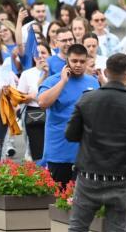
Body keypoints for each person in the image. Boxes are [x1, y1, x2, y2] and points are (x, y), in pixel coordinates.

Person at [63, 53, 126, 232]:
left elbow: (71, 135)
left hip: (89, 176)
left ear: (105, 72)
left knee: (76, 230)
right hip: (122, 178)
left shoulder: (87, 99)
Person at [38, 44, 100, 186]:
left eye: (82, 61)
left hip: (85, 152)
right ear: (67, 61)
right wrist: (63, 81)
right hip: (59, 152)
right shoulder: (53, 80)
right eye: (74, 61)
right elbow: (42, 103)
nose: (78, 65)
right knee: (58, 198)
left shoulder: (93, 82)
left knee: (83, 199)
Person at [17, 41, 51, 161]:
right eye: (37, 53)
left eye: (44, 53)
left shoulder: (56, 72)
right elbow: (19, 98)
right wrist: (30, 97)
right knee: (37, 151)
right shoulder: (27, 74)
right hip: (34, 113)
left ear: (50, 55)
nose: (41, 56)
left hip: (52, 112)